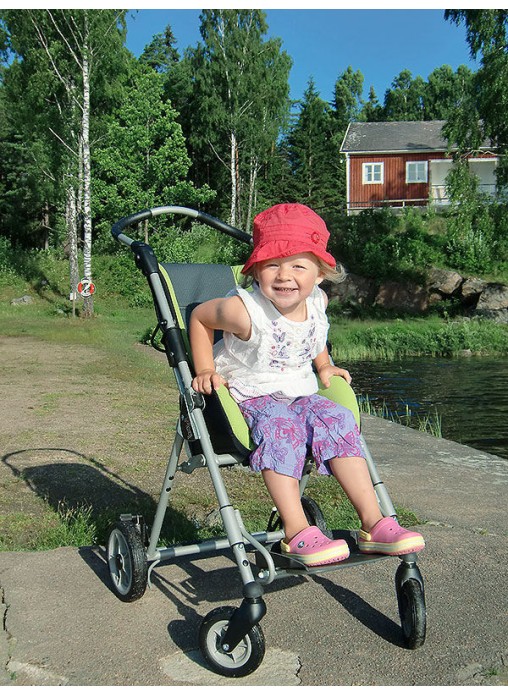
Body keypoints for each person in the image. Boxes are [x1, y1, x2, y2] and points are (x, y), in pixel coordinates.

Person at [190, 203, 425, 567]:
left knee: (338, 420)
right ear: (255, 270)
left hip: (299, 389)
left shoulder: (318, 301)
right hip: (251, 392)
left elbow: (314, 335)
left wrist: (324, 364)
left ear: (320, 274)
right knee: (282, 429)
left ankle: (374, 522)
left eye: (298, 266)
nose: (284, 276)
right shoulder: (244, 311)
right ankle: (296, 529)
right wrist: (205, 368)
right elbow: (199, 318)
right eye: (272, 265)